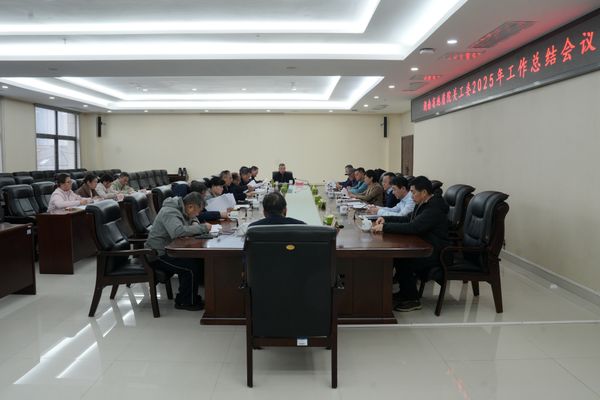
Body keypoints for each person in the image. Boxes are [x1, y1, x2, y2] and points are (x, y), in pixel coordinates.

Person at [372, 176, 450, 312]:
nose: (411, 195)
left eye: (413, 192)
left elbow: (414, 227)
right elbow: (409, 219)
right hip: (424, 244)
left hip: (436, 251)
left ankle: (412, 299)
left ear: (424, 192)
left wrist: (385, 227)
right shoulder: (424, 203)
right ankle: (405, 293)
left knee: (404, 259)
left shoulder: (434, 208)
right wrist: (385, 219)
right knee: (400, 257)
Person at [145, 192, 211, 311]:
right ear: (190, 206)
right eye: (198, 211)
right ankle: (185, 302)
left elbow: (192, 217)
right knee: (190, 268)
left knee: (199, 260)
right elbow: (178, 232)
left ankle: (191, 296)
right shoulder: (170, 212)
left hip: (169, 249)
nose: (198, 214)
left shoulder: (181, 207)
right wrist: (202, 228)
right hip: (158, 254)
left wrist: (195, 222)